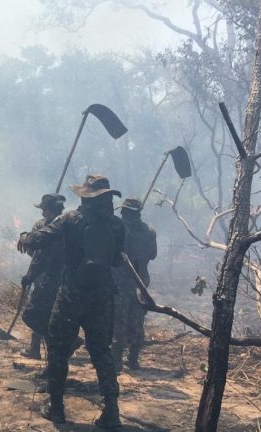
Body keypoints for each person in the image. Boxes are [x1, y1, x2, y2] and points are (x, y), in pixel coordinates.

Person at [24, 175, 125, 429]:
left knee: (58, 349)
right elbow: (116, 261)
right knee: (102, 351)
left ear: (85, 196)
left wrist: (26, 236)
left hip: (71, 295)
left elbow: (39, 239)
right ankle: (111, 412)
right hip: (102, 296)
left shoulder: (70, 219)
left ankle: (56, 408)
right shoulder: (116, 225)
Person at [17, 193, 67, 360]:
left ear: (48, 210)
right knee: (45, 314)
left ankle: (65, 343)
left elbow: (41, 255)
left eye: (43, 209)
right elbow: (33, 250)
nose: (41, 212)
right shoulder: (47, 225)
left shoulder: (58, 227)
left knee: (36, 314)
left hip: (52, 278)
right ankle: (37, 349)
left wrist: (31, 276)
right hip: (53, 277)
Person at [112, 197, 157, 372]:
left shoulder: (117, 229)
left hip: (121, 279)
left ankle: (116, 361)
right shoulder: (149, 231)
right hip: (141, 281)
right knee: (137, 318)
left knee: (119, 319)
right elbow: (152, 255)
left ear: (124, 211)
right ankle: (133, 359)